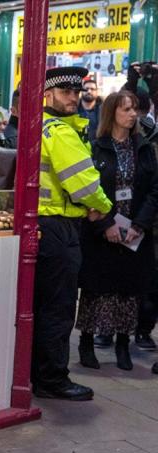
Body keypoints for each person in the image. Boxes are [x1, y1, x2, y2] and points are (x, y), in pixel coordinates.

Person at [32, 66, 113, 400]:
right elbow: (84, 182)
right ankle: (53, 379)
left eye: (77, 93)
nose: (74, 99)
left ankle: (37, 374)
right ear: (48, 94)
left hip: (42, 225)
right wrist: (103, 206)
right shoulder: (62, 133)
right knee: (59, 307)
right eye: (66, 92)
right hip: (59, 227)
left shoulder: (41, 127)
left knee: (42, 306)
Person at [77, 90, 158, 371]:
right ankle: (87, 342)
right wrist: (105, 224)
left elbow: (154, 191)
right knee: (95, 290)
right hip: (102, 231)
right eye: (126, 109)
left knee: (129, 291)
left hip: (133, 232)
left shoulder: (143, 147)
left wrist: (139, 225)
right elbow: (87, 191)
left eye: (135, 109)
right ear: (112, 112)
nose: (133, 114)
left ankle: (123, 344)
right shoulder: (96, 147)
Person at [79, 77, 102, 142]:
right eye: (86, 89)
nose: (89, 91)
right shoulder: (73, 110)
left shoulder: (104, 111)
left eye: (92, 89)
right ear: (81, 91)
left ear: (97, 92)